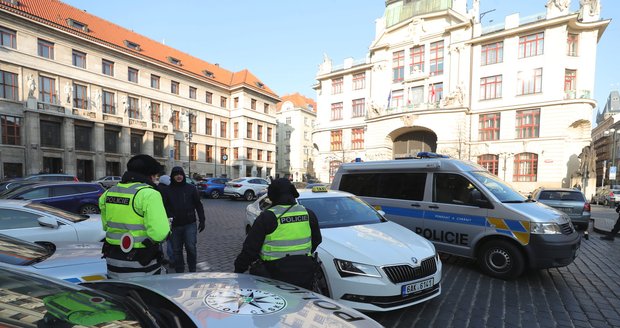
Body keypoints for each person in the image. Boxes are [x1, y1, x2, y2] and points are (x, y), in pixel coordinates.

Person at [234, 178, 322, 290]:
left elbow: (250, 250)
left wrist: (238, 270)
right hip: (304, 276)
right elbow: (317, 240)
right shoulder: (308, 214)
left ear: (272, 195)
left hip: (273, 278)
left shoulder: (267, 217)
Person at [99, 154, 170, 279]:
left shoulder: (108, 193)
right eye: (155, 176)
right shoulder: (149, 194)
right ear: (150, 175)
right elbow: (160, 233)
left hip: (112, 259)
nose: (155, 179)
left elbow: (106, 226)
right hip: (141, 260)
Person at [166, 166, 206, 273]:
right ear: (172, 176)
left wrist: (202, 220)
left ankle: (192, 269)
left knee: (191, 247)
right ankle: (180, 270)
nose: (178, 176)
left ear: (183, 175)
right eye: (176, 174)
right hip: (174, 226)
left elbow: (198, 204)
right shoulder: (168, 190)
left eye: (180, 174)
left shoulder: (191, 188)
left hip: (189, 224)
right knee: (176, 250)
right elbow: (165, 207)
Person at [157, 174, 175, 266]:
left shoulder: (155, 189)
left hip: (157, 217)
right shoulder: (168, 190)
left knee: (158, 240)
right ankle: (172, 259)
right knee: (170, 239)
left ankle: (160, 257)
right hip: (168, 217)